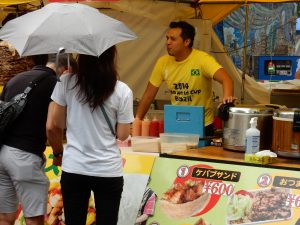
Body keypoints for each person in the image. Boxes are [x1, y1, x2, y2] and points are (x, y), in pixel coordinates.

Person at [46, 46, 133, 225]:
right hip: (108, 169)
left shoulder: (66, 82)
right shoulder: (122, 90)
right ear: (111, 58)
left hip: (75, 167)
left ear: (83, 57)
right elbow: (123, 135)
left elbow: (56, 124)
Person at [135, 21, 235, 136]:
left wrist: (227, 100)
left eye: (173, 39)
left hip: (202, 125)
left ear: (187, 42)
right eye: (167, 38)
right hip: (176, 124)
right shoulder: (162, 62)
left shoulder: (202, 59)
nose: (168, 42)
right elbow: (148, 96)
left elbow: (227, 79)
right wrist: (137, 121)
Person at [0, 54, 57, 225]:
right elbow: (53, 125)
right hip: (25, 155)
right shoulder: (55, 84)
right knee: (34, 218)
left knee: (4, 218)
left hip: (2, 153)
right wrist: (58, 151)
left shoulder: (13, 80)